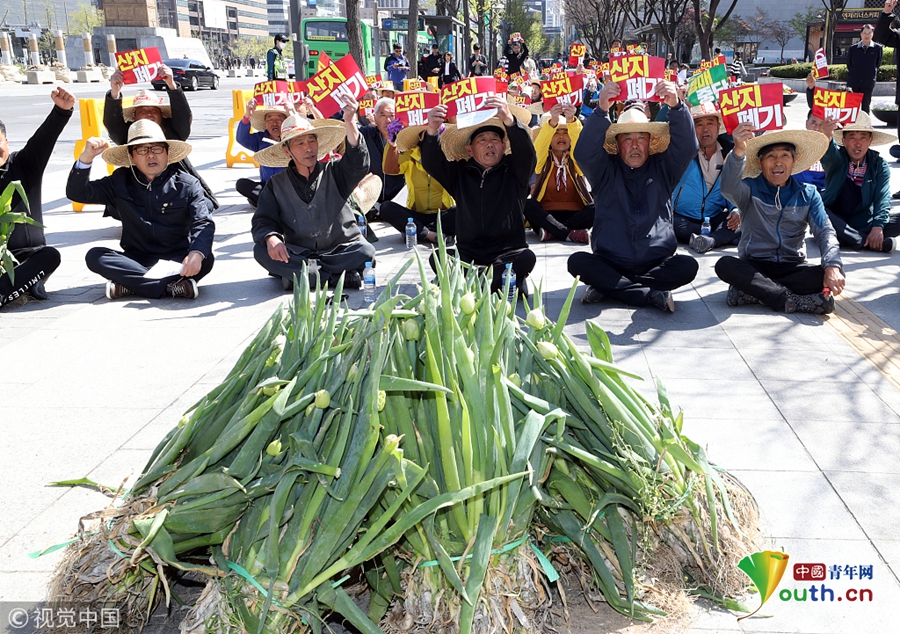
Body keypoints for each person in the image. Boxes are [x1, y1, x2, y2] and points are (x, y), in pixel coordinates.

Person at [568, 80, 699, 312]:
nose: (635, 145)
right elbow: (584, 153)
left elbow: (687, 147)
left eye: (641, 138)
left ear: (650, 143)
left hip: (657, 262)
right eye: (628, 139)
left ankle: (610, 288)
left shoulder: (664, 168)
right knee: (577, 262)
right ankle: (648, 295)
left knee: (687, 266)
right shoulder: (604, 170)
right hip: (610, 261)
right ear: (617, 145)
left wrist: (677, 107)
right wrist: (600, 111)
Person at [67, 120, 215, 300]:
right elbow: (78, 193)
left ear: (167, 153)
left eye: (157, 149)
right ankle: (169, 287)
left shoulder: (187, 184)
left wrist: (195, 254)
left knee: (205, 258)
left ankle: (132, 285)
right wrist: (86, 158)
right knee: (95, 256)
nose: (151, 155)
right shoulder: (120, 181)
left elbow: (203, 221)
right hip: (135, 259)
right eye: (142, 150)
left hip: (176, 259)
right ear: (132, 157)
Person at [715, 125, 844, 314]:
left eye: (784, 155)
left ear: (794, 160)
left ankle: (756, 293)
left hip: (792, 267)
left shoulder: (808, 193)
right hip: (755, 264)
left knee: (827, 272)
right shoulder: (749, 189)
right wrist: (739, 151)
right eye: (770, 156)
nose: (778, 162)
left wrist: (833, 265)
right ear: (760, 163)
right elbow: (727, 188)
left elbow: (825, 231)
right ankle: (788, 300)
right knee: (725, 265)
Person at [420, 96, 537, 295]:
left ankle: (477, 282)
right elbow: (433, 163)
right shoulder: (460, 172)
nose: (489, 144)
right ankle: (498, 283)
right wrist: (431, 131)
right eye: (482, 140)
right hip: (468, 253)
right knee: (438, 258)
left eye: (495, 140)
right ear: (469, 149)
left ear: (503, 146)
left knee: (526, 258)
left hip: (508, 252)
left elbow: (527, 153)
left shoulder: (515, 170)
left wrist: (509, 120)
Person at [251, 103, 374, 291]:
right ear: (287, 151)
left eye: (311, 141)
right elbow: (263, 220)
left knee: (366, 252)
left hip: (340, 249)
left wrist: (349, 121)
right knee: (261, 251)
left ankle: (303, 277)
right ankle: (333, 278)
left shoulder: (335, 172)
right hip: (301, 252)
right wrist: (272, 239)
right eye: (300, 143)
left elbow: (359, 163)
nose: (308, 148)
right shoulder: (276, 185)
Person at [0, 87, 74, 306]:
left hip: (29, 256)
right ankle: (29, 286)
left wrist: (61, 112)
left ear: (6, 142)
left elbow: (44, 140)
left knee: (50, 255)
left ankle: (5, 291)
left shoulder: (24, 165)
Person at [104, 77, 218, 211]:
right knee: (117, 206)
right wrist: (115, 92)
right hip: (140, 191)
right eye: (143, 111)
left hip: (173, 189)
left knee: (203, 205)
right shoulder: (129, 134)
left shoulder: (171, 131)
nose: (149, 114)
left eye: (153, 110)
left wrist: (171, 84)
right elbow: (113, 125)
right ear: (134, 117)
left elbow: (183, 117)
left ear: (161, 115)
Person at [819, 112, 899, 252]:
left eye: (863, 137)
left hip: (864, 221)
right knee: (819, 212)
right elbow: (828, 156)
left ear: (870, 141)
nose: (858, 143)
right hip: (836, 219)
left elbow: (883, 198)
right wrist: (827, 134)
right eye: (852, 137)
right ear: (843, 141)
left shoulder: (879, 165)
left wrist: (878, 226)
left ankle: (855, 238)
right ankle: (863, 241)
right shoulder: (837, 160)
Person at [672, 103, 740, 253]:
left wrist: (735, 210)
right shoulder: (683, 152)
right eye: (699, 124)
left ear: (718, 126)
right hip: (682, 217)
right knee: (672, 225)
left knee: (741, 221)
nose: (705, 129)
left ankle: (710, 240)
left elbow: (734, 187)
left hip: (714, 217)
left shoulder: (730, 152)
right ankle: (719, 237)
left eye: (710, 123)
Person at [524, 104, 593, 244]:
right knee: (528, 204)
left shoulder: (575, 160)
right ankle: (568, 233)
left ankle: (555, 232)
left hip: (576, 214)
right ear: (549, 136)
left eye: (565, 132)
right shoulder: (542, 161)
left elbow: (582, 148)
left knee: (597, 207)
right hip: (546, 215)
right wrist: (552, 123)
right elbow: (538, 151)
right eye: (556, 132)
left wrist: (571, 121)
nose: (561, 136)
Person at [381, 121, 456, 243]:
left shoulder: (449, 154)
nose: (430, 137)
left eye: (434, 133)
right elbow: (390, 169)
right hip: (415, 214)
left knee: (463, 212)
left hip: (443, 214)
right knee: (386, 208)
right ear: (419, 137)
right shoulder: (410, 153)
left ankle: (416, 231)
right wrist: (391, 144)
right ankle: (428, 234)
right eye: (426, 133)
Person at [235, 100, 291, 207]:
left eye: (279, 119)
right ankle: (268, 201)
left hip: (289, 188)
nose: (274, 123)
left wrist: (292, 112)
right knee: (241, 184)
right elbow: (241, 138)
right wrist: (247, 115)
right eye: (270, 119)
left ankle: (265, 202)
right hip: (267, 187)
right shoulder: (260, 138)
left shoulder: (293, 138)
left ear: (285, 121)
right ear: (265, 123)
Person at [359, 97, 405, 211]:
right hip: (372, 201)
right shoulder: (366, 134)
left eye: (392, 115)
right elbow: (348, 132)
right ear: (374, 118)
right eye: (383, 115)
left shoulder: (406, 138)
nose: (388, 120)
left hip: (401, 201)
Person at [846, 25, 882, 113]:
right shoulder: (853, 48)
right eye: (864, 33)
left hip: (868, 81)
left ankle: (865, 125)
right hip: (854, 81)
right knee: (853, 107)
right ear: (861, 34)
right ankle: (852, 126)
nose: (867, 35)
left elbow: (877, 64)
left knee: (866, 106)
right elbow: (849, 64)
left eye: (869, 33)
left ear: (873, 34)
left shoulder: (878, 48)